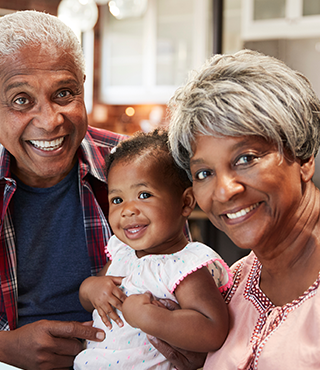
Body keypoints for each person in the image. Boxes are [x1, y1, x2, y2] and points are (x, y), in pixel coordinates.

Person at [0, 10, 125, 370]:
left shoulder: (136, 168)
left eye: (64, 93)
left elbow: (181, 289)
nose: (50, 120)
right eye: (22, 100)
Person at [167, 49, 320, 369]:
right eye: (204, 173)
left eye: (246, 158)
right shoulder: (232, 285)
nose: (224, 191)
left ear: (303, 157)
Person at [73, 130, 231, 369]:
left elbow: (213, 330)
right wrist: (90, 288)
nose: (127, 210)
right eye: (117, 200)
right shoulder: (121, 253)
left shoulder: (184, 266)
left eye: (144, 195)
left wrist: (151, 317)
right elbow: (89, 299)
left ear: (185, 202)